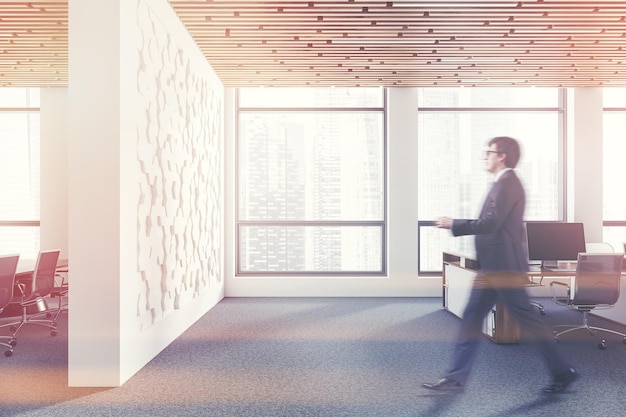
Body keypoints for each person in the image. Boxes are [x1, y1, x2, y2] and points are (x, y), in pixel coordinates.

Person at [423, 136, 578, 394]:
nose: (485, 156)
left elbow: (490, 223)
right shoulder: (503, 183)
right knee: (472, 319)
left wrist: (455, 224)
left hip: (504, 268)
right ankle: (455, 378)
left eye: (489, 152)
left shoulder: (507, 183)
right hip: (493, 267)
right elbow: (491, 222)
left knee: (528, 320)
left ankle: (563, 372)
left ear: (502, 156)